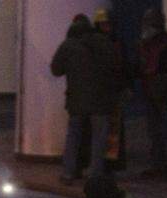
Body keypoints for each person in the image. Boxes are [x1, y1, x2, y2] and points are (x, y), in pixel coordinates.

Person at [51, 13, 122, 185]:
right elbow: (115, 67)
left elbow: (56, 70)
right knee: (99, 138)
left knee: (73, 136)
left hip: (76, 100)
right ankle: (95, 175)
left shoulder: (68, 45)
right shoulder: (103, 42)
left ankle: (68, 173)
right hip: (101, 100)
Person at [137, 8, 167, 182]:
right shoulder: (151, 44)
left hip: (163, 95)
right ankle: (160, 166)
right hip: (154, 93)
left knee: (165, 131)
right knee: (157, 132)